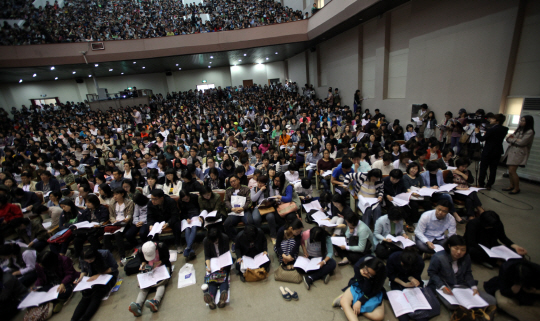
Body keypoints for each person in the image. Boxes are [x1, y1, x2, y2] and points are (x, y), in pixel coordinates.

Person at [427, 235, 496, 311]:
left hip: (461, 285)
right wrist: (442, 286)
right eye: (456, 248)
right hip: (446, 286)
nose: (459, 252)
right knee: (453, 305)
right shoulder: (438, 257)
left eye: (463, 250)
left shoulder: (466, 257)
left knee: (491, 300)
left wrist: (473, 287)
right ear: (449, 246)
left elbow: (468, 272)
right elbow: (432, 273)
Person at [387, 249, 440, 321]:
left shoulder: (420, 262)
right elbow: (391, 275)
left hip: (412, 283)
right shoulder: (393, 258)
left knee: (422, 313)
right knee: (403, 316)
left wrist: (412, 279)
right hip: (398, 282)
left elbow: (415, 275)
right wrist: (404, 284)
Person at [332, 255, 386, 321]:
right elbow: (361, 286)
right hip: (359, 285)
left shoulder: (381, 275)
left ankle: (352, 304)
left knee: (378, 317)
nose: (364, 272)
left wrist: (360, 301)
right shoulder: (359, 266)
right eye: (366, 268)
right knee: (344, 302)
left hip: (371, 290)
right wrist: (366, 277)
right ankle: (348, 301)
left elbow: (372, 291)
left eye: (369, 273)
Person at [72, 248, 119, 321]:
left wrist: (99, 274)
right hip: (92, 278)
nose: (88, 262)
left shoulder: (105, 254)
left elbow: (114, 268)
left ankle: (85, 318)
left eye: (90, 260)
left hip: (107, 276)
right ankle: (73, 319)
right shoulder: (82, 258)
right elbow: (84, 270)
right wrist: (80, 278)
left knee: (97, 294)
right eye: (86, 261)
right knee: (85, 295)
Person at [128, 241, 171, 316]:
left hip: (161, 268)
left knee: (161, 284)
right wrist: (143, 264)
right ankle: (138, 305)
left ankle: (156, 301)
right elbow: (142, 260)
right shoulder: (140, 251)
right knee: (144, 287)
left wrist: (159, 262)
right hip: (149, 270)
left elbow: (167, 258)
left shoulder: (162, 246)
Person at [502, 115, 535, 194]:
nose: (521, 122)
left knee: (512, 171)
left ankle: (517, 188)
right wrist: (514, 139)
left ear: (528, 122)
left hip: (519, 153)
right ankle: (511, 185)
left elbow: (522, 142)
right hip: (512, 151)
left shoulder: (530, 131)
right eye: (521, 120)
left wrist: (513, 139)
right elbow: (508, 138)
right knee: (510, 171)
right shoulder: (519, 129)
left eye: (523, 121)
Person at [475, 113, 509, 190]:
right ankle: (489, 184)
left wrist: (477, 133)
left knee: (483, 168)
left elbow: (482, 139)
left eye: (493, 119)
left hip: (488, 151)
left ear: (497, 121)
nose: (490, 120)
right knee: (493, 169)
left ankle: (481, 184)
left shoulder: (492, 129)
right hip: (497, 151)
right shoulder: (505, 129)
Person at [202, 227, 230, 310]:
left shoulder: (224, 238)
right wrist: (208, 266)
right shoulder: (206, 240)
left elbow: (226, 254)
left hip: (223, 262)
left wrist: (223, 265)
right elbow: (207, 255)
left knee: (222, 276)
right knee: (213, 278)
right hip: (213, 262)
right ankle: (211, 299)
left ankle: (222, 297)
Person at [103, 187, 134, 260]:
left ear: (122, 194)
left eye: (117, 194)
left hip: (125, 223)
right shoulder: (112, 203)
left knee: (118, 234)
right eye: (114, 194)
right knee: (106, 235)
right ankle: (108, 256)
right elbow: (111, 215)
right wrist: (114, 221)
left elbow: (130, 214)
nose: (115, 196)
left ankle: (122, 256)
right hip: (115, 223)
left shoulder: (129, 202)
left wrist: (127, 219)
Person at [223, 176, 254, 240]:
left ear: (238, 180)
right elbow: (226, 201)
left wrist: (243, 208)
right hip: (233, 211)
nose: (233, 183)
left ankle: (247, 238)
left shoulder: (246, 189)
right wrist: (232, 209)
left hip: (244, 210)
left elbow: (249, 201)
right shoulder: (228, 190)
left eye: (234, 181)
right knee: (226, 224)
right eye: (231, 182)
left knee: (250, 222)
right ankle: (236, 239)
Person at [179, 190, 201, 260]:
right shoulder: (180, 202)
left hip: (196, 215)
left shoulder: (195, 197)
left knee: (194, 227)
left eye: (187, 198)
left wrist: (199, 216)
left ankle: (188, 247)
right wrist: (186, 218)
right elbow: (182, 212)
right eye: (184, 200)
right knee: (187, 229)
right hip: (187, 216)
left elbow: (200, 207)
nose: (187, 200)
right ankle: (190, 249)